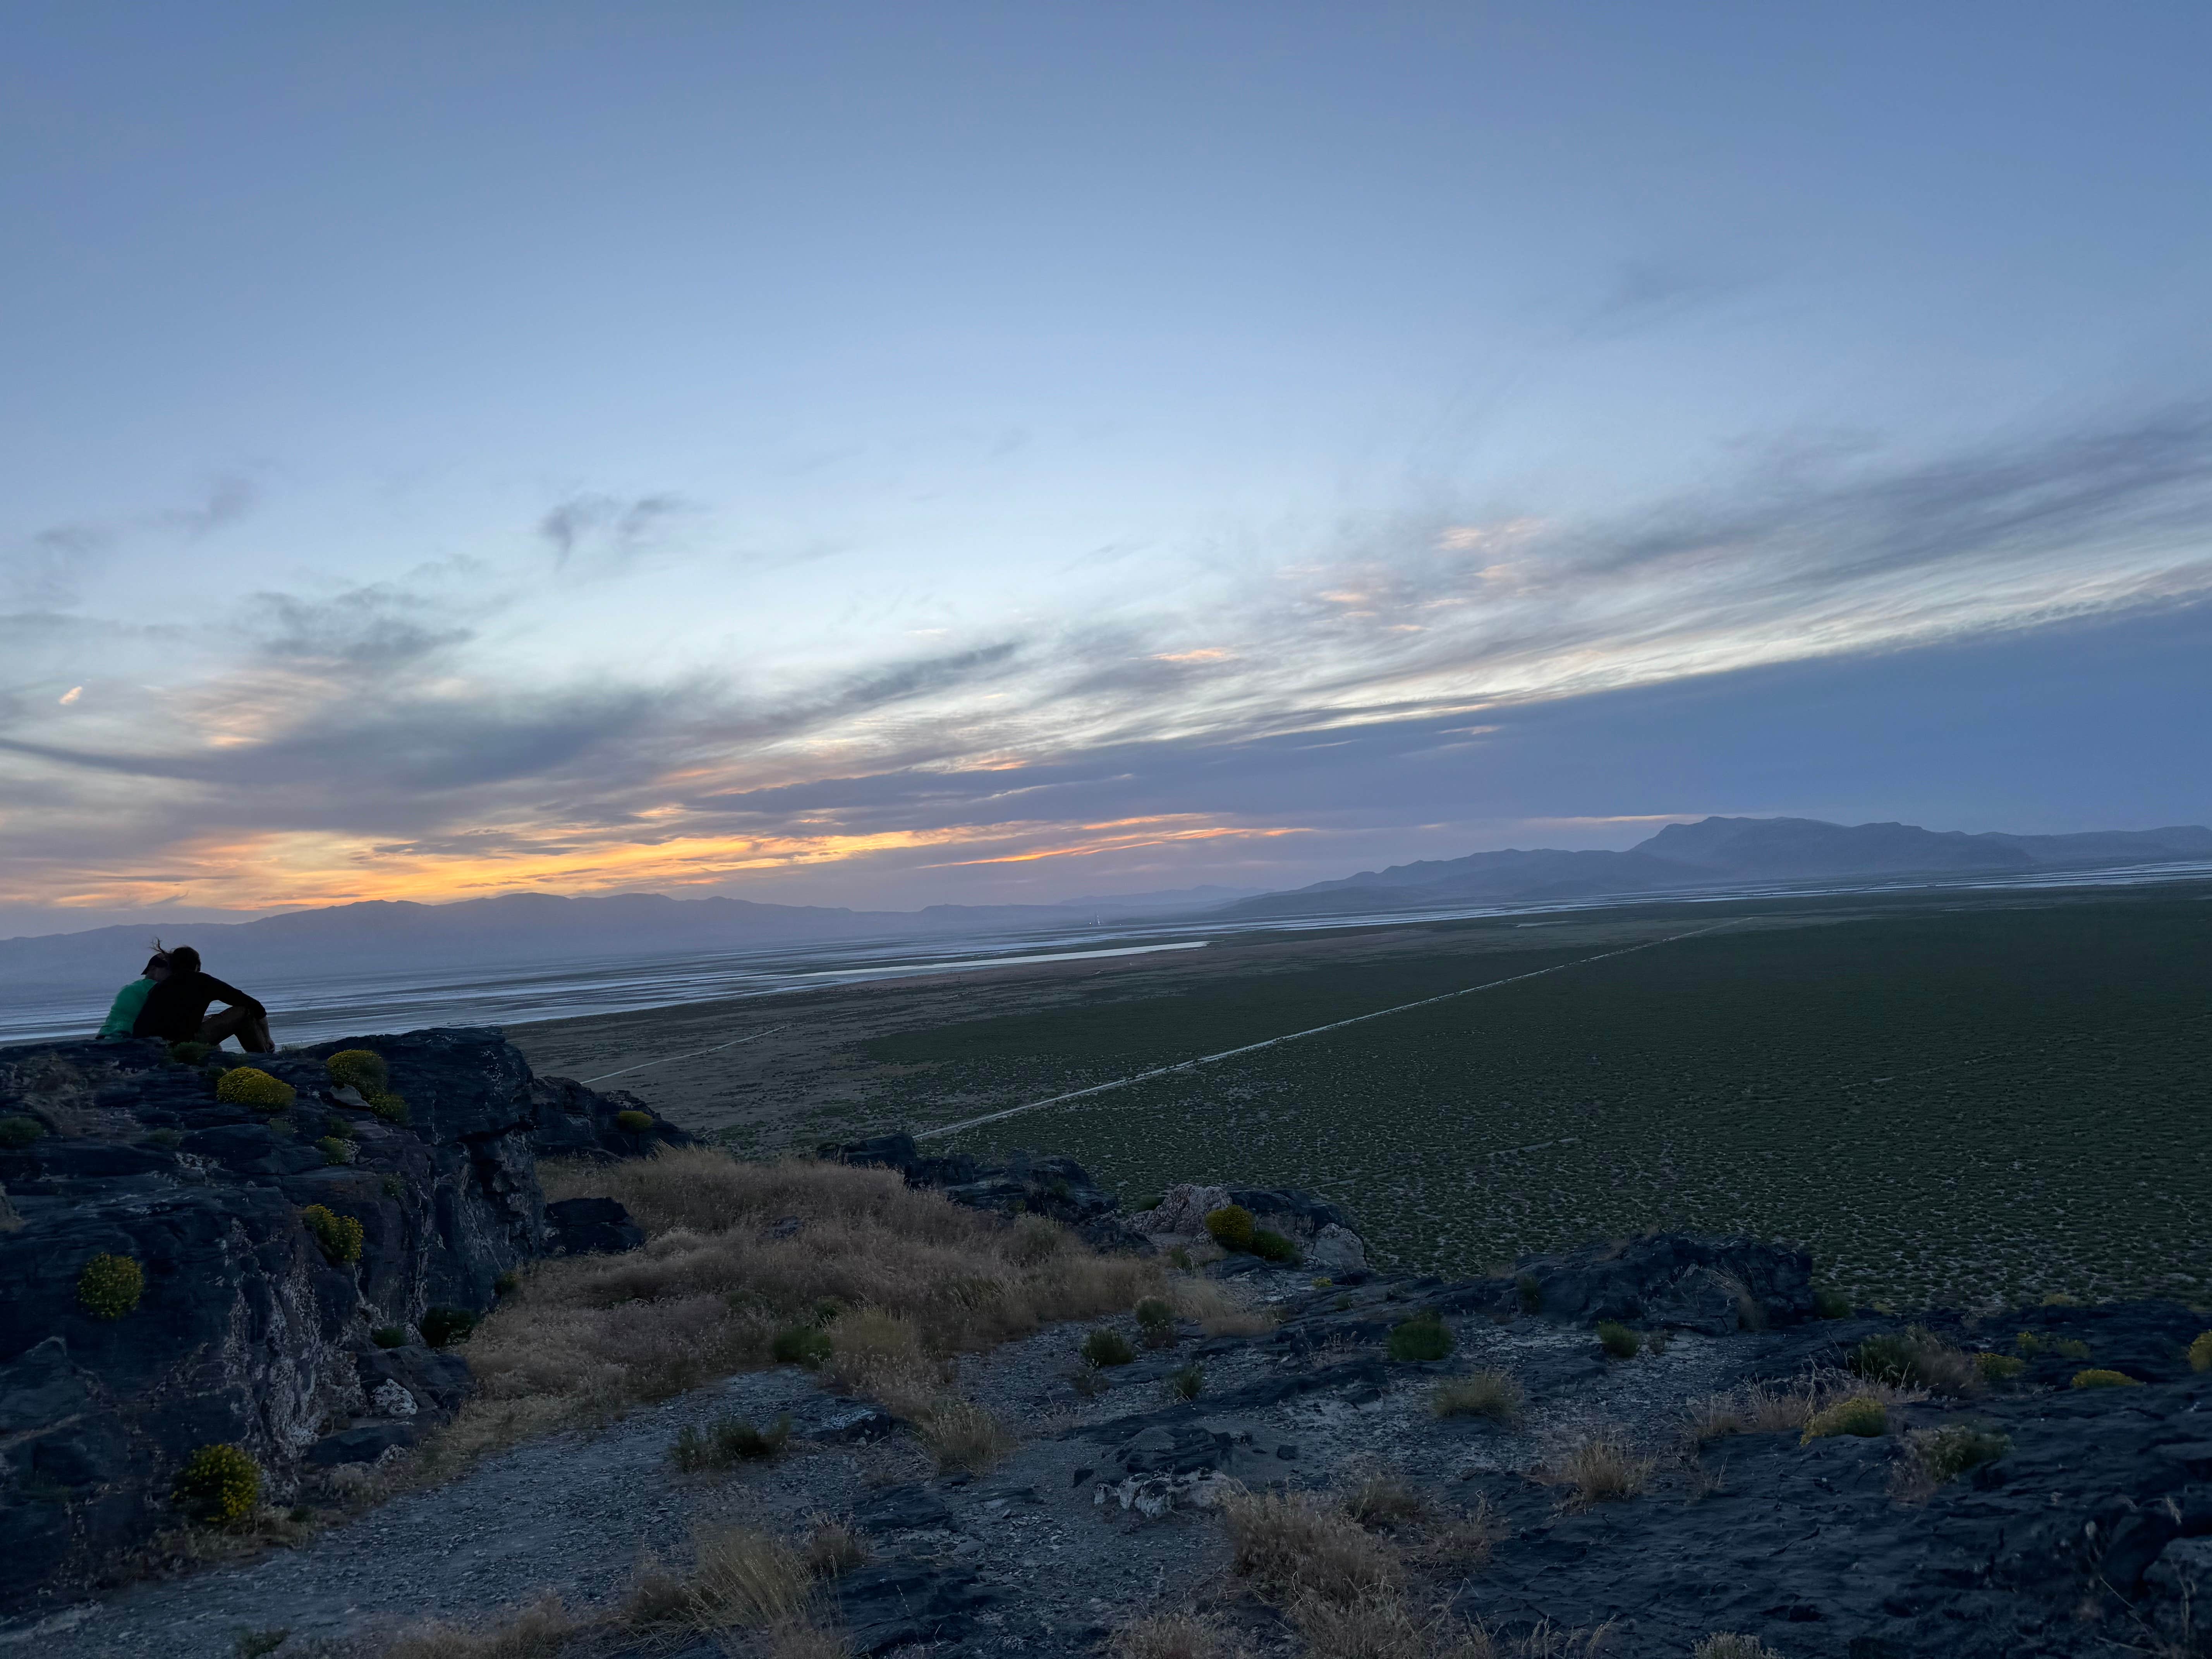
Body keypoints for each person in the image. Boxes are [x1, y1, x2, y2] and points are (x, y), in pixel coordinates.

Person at [132, 945, 273, 1053]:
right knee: (244, 1012)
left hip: (154, 1048)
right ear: (197, 966)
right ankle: (262, 1057)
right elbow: (254, 1006)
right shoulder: (202, 981)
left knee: (209, 1019)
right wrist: (267, 1037)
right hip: (184, 1047)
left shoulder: (159, 988)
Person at [98, 951, 171, 1040]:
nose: (171, 974)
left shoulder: (128, 988)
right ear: (153, 969)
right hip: (128, 1037)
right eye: (168, 969)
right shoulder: (156, 988)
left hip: (105, 1035)